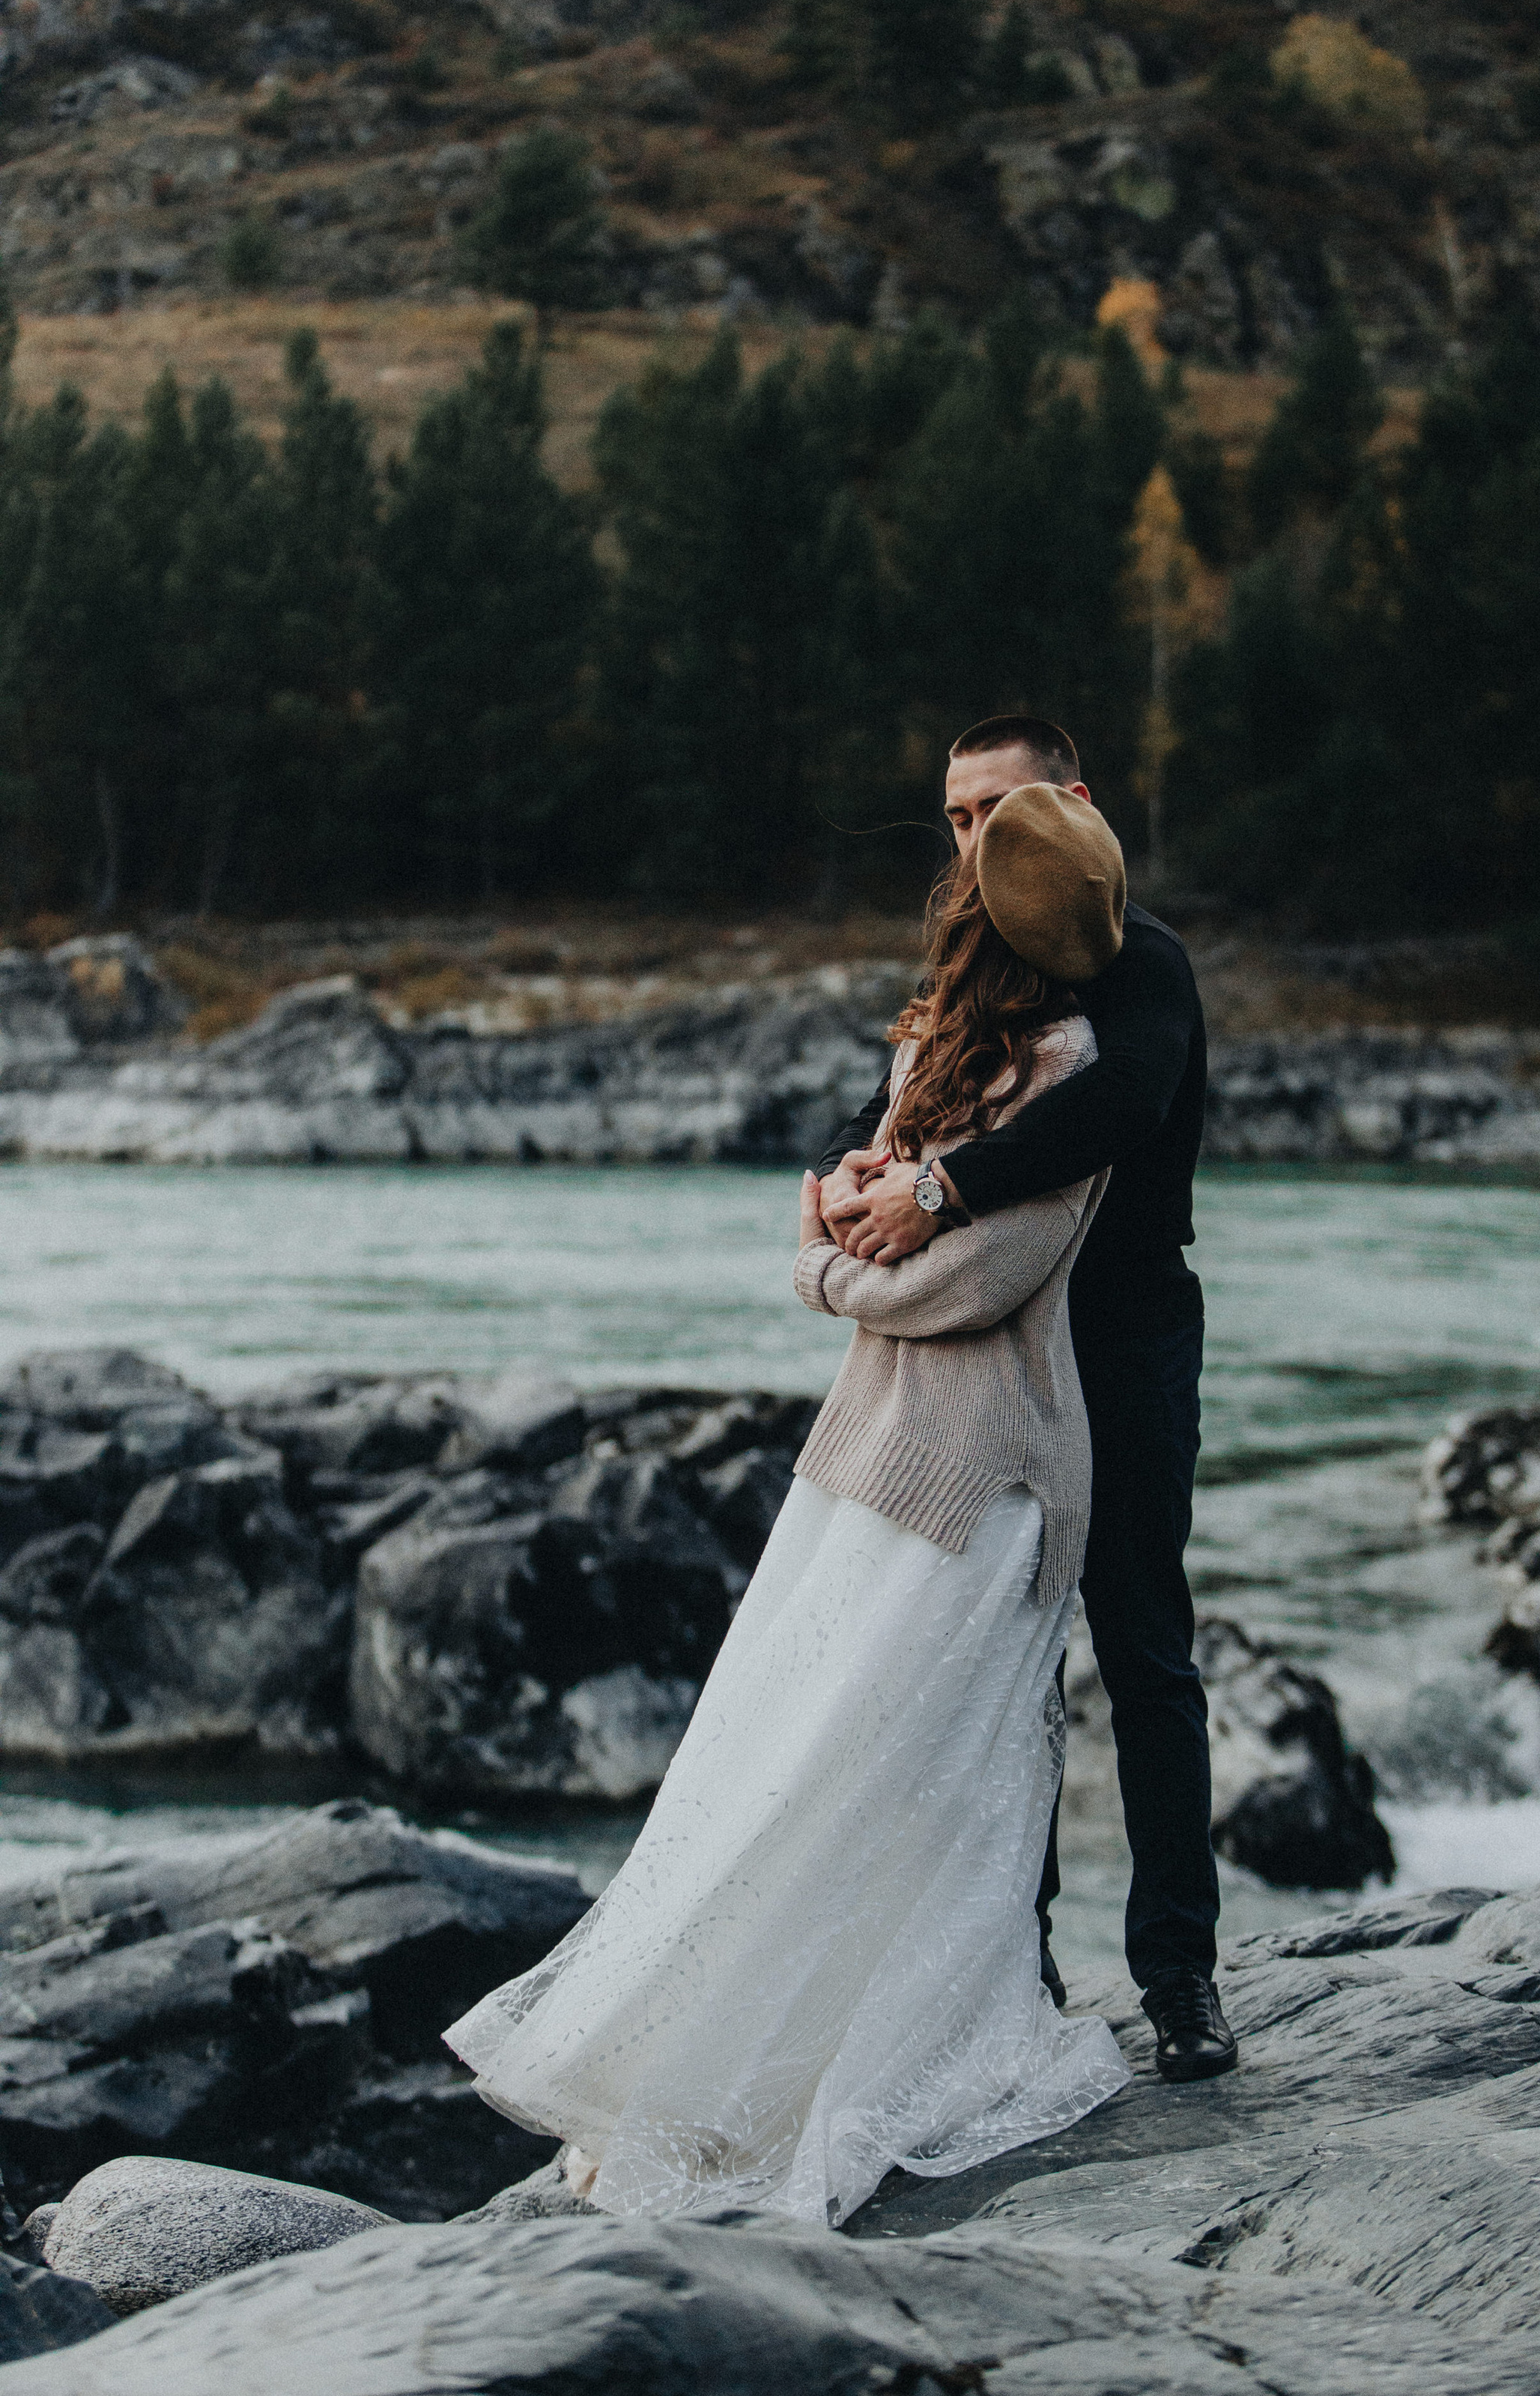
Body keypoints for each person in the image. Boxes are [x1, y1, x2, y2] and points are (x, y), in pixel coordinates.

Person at [443, 788, 1133, 2225]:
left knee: (915, 1784)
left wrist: (823, 1269)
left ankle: (844, 2069)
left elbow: (964, 1285)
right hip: (871, 1457)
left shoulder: (1075, 1065)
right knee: (797, 1764)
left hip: (986, 1473)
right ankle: (702, 2072)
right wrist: (851, 1229)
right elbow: (869, 1210)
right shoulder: (937, 1049)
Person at [816, 715, 1237, 2086]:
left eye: (997, 810)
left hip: (1122, 1345)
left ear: (1073, 804)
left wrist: (940, 1194)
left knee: (1145, 1652)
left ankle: (1181, 1982)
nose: (973, 841)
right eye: (953, 817)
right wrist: (866, 1176)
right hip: (991, 1353)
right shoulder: (969, 969)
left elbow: (1120, 1107)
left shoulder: (1142, 960)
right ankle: (1020, 1973)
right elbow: (919, 1109)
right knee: (998, 1664)